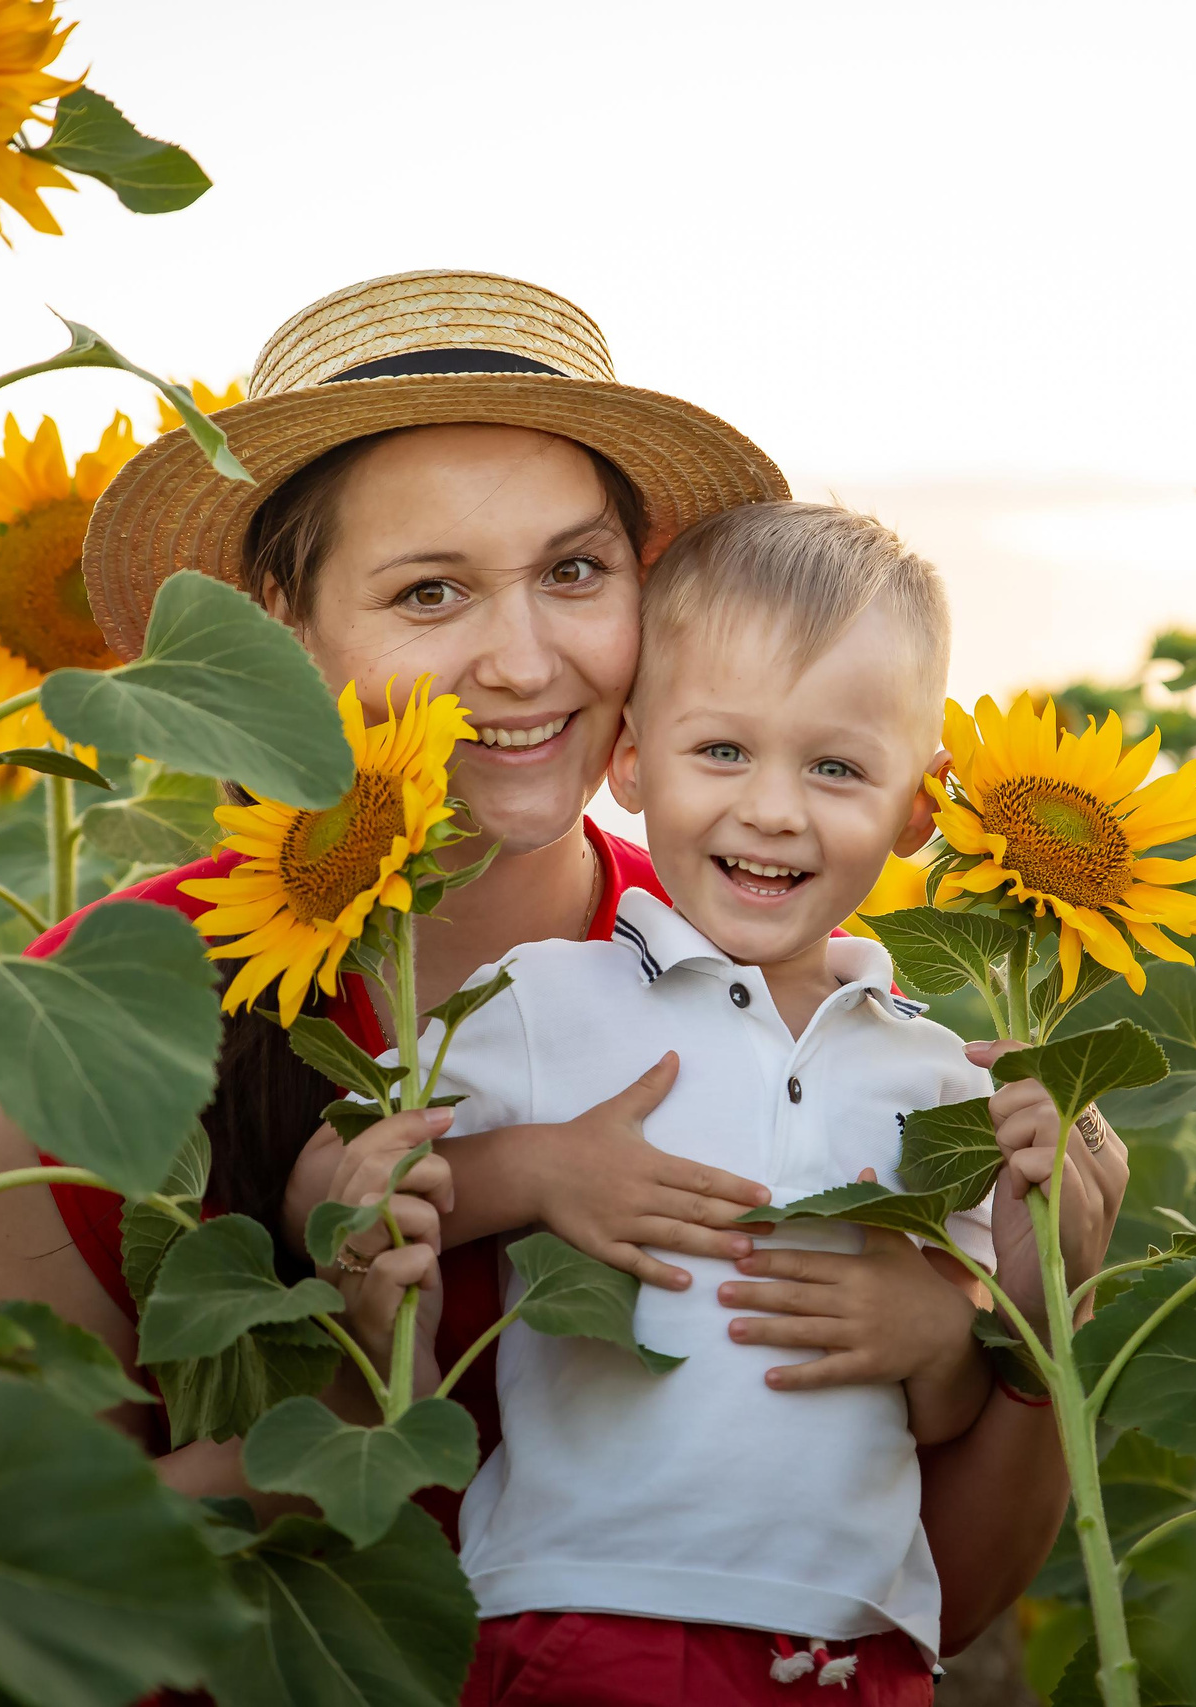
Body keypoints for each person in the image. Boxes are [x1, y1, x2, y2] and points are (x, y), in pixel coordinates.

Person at [0, 271, 1132, 1659]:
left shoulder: (783, 993)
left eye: (574, 572)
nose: (522, 659)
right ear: (279, 623)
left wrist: (1028, 1327)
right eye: (429, 591)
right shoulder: (109, 1009)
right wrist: (365, 1400)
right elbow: (6, 1594)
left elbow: (925, 1592)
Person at [412, 502, 991, 1704]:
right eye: (722, 752)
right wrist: (533, 1174)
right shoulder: (540, 999)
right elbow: (360, 1190)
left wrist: (938, 1334)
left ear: (919, 810)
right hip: (585, 1607)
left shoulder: (934, 1077)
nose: (773, 809)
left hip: (854, 1636)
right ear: (630, 758)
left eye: (835, 768)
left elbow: (956, 1403)